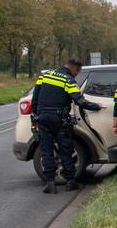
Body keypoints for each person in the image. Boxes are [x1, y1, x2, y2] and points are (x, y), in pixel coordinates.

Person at [29, 58, 101, 194]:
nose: (76, 75)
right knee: (65, 150)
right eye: (77, 72)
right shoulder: (68, 80)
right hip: (59, 120)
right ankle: (70, 182)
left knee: (47, 151)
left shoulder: (45, 76)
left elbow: (35, 99)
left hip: (43, 118)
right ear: (75, 69)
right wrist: (96, 106)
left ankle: (50, 183)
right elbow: (79, 100)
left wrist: (34, 116)